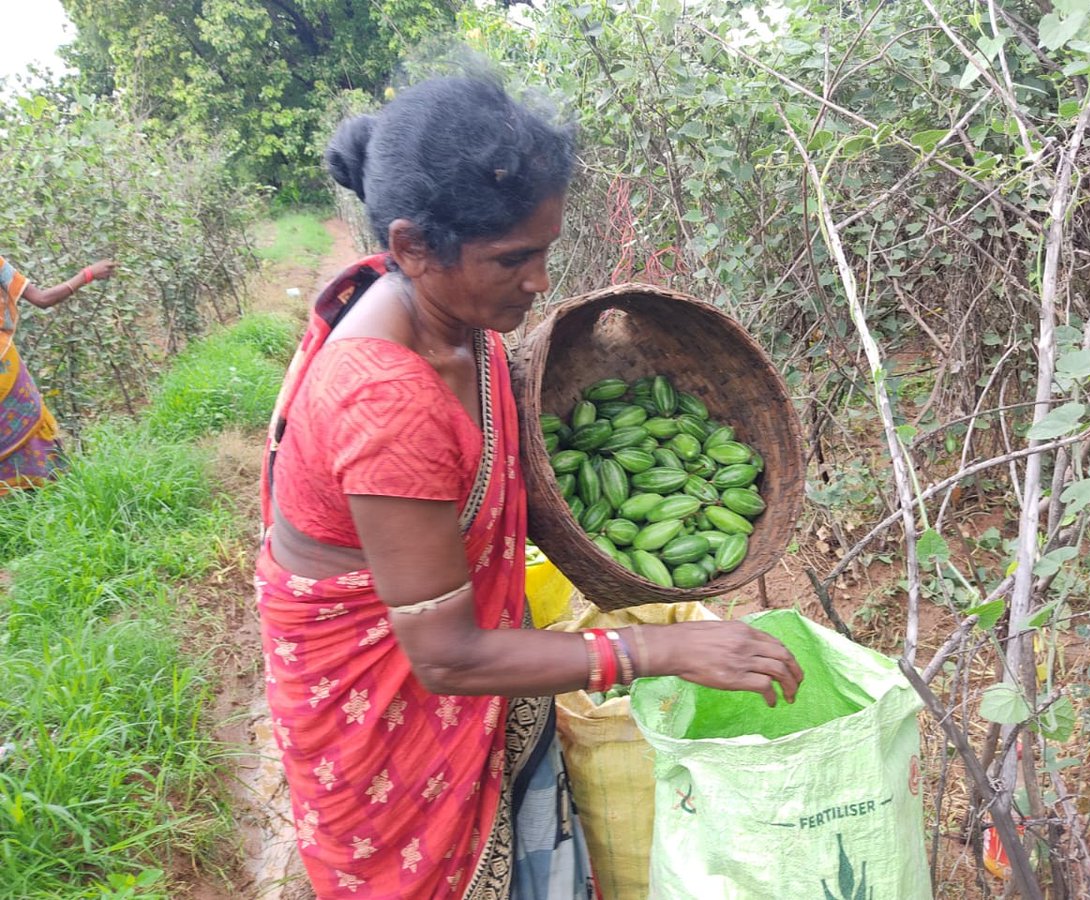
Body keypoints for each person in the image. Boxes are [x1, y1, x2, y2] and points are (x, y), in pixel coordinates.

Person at [256, 75, 804, 900]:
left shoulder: (446, 315)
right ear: (411, 248)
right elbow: (445, 656)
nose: (541, 282)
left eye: (544, 250)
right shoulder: (385, 402)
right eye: (514, 259)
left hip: (472, 650)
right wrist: (661, 649)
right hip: (394, 701)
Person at [0, 255, 116, 495]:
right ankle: (53, 494)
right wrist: (88, 274)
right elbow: (42, 299)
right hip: (5, 370)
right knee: (33, 425)